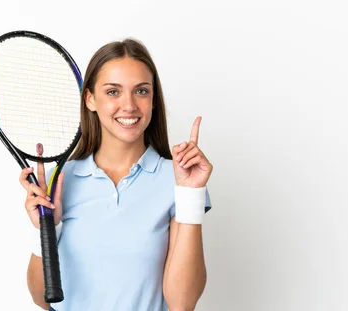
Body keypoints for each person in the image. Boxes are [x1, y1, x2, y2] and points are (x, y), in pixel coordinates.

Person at [18, 38, 213, 311]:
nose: (129, 105)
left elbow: (182, 303)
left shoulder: (178, 179)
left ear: (154, 99)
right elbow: (41, 298)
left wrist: (191, 195)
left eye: (141, 91)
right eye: (113, 92)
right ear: (90, 99)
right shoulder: (59, 181)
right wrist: (48, 228)